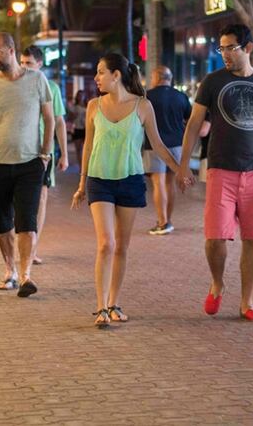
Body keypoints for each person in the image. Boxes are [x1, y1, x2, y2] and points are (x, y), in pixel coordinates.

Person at [177, 24, 253, 322]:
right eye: (222, 48)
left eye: (231, 48)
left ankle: (247, 302)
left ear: (248, 48)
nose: (225, 54)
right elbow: (193, 124)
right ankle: (217, 283)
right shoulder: (212, 81)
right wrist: (182, 164)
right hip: (220, 170)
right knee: (215, 238)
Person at [71, 54, 183, 327]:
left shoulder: (143, 106)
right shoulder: (94, 106)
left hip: (130, 181)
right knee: (105, 243)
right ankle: (100, 308)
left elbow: (156, 144)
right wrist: (82, 183)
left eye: (100, 72)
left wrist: (180, 169)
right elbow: (88, 145)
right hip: (100, 180)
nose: (96, 78)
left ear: (116, 75)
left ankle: (114, 302)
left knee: (121, 246)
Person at [0, 32, 53, 298]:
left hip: (30, 163)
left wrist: (45, 154)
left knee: (26, 221)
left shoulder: (37, 80)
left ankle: (26, 274)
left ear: (11, 50)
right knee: (2, 221)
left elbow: (49, 119)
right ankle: (10, 270)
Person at [19, 45, 68, 265]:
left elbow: (59, 122)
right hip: (19, 151)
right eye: (22, 62)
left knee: (41, 199)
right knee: (19, 202)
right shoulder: (14, 86)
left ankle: (32, 248)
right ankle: (22, 246)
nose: (24, 67)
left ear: (40, 64)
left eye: (28, 63)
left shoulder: (52, 88)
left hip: (43, 153)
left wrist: (64, 154)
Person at [143, 66, 192, 235]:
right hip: (177, 145)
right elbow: (190, 120)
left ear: (156, 77)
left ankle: (162, 221)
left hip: (153, 145)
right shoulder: (181, 97)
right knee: (170, 183)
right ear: (170, 78)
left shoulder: (147, 96)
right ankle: (168, 220)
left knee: (158, 183)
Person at [68, 90, 87, 168]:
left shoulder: (88, 105)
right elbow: (70, 118)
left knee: (86, 150)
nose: (80, 97)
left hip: (86, 129)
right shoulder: (74, 107)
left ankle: (85, 166)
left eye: (82, 95)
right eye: (79, 95)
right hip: (77, 129)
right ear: (77, 97)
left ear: (84, 96)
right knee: (78, 150)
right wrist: (74, 115)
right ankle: (81, 167)